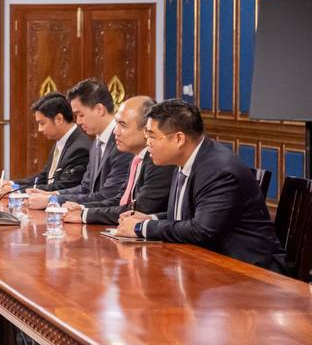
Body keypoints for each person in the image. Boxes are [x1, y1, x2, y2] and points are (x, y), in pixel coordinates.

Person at [115, 99, 289, 274]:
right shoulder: (185, 160)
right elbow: (185, 216)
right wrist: (149, 219)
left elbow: (202, 231)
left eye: (152, 136)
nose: (148, 143)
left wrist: (140, 228)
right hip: (210, 264)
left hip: (250, 270)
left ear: (179, 139)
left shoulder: (219, 170)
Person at [63, 95, 173, 225]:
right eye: (116, 124)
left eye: (123, 125)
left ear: (146, 130)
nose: (115, 131)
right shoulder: (137, 158)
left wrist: (84, 215)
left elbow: (138, 210)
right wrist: (82, 208)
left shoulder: (159, 162)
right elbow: (120, 200)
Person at [29, 78, 132, 209]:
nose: (77, 121)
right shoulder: (96, 142)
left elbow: (109, 195)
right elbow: (86, 188)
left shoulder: (122, 143)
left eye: (80, 114)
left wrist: (53, 200)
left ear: (99, 110)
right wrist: (52, 194)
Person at [4, 92, 89, 193]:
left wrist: (18, 191)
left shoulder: (80, 148)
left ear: (59, 119)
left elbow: (63, 187)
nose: (40, 129)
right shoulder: (60, 139)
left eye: (42, 123)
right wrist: (14, 184)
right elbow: (45, 177)